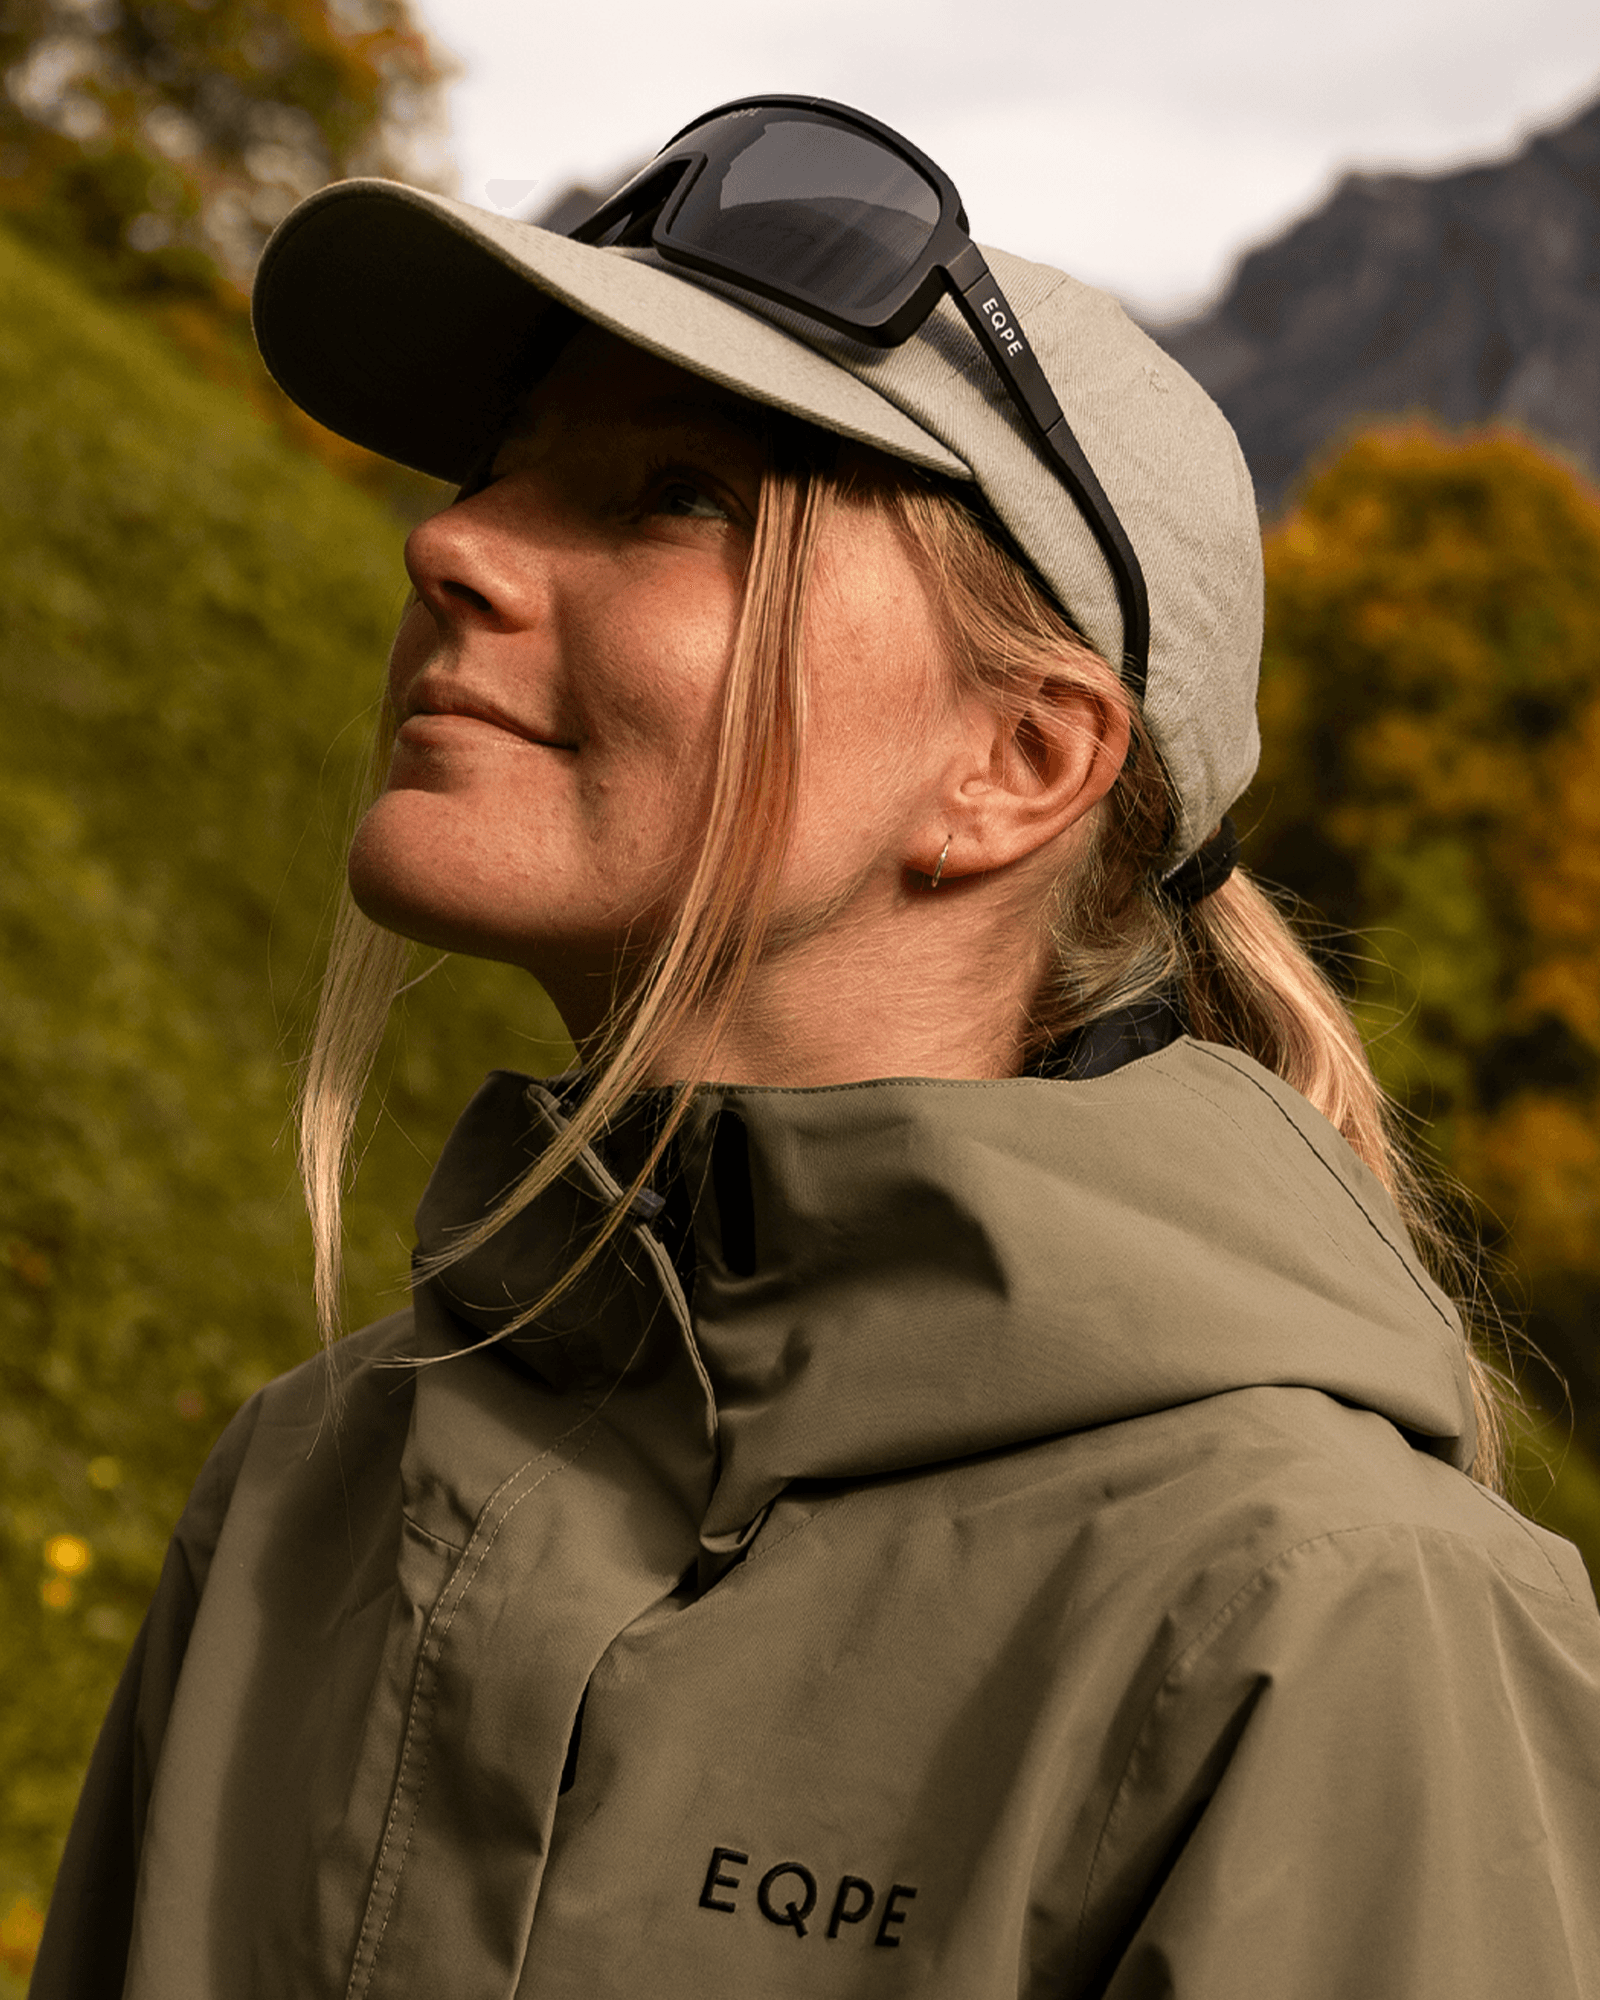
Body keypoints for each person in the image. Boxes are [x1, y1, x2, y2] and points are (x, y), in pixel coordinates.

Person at [32, 97, 1600, 2000]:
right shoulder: (306, 1490)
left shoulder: (1336, 1617)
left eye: (678, 497)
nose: (448, 540)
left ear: (1016, 764)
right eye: (502, 471)